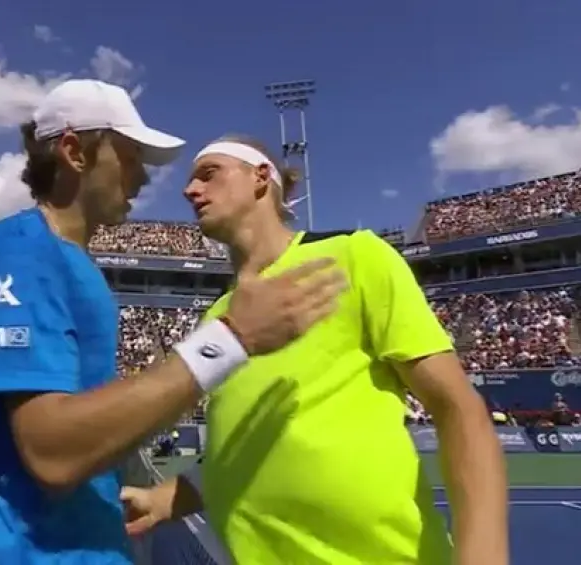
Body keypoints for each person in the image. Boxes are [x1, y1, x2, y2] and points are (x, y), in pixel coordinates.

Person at [0, 81, 348, 564]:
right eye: (130, 157)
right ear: (75, 152)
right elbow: (51, 450)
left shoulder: (71, 264)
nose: (143, 179)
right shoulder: (22, 251)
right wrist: (229, 340)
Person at [121, 135, 509, 565]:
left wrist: (483, 554)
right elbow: (237, 454)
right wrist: (164, 498)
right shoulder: (216, 321)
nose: (189, 190)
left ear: (261, 177)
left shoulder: (355, 255)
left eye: (208, 174)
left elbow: (457, 407)